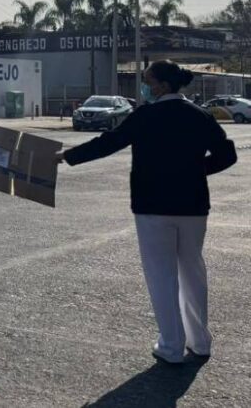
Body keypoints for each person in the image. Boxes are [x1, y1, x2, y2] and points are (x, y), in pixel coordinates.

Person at [59, 60, 237, 364]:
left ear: (163, 85)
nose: (144, 87)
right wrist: (195, 172)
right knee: (193, 272)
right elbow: (227, 154)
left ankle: (171, 346)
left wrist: (68, 156)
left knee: (161, 276)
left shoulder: (145, 115)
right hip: (193, 206)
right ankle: (200, 341)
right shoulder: (200, 115)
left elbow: (108, 143)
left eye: (148, 81)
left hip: (153, 206)